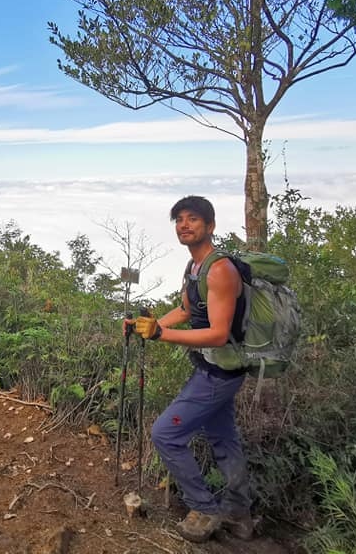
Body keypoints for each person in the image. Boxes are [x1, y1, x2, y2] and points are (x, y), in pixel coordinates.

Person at [125, 195, 253, 544]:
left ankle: (204, 507)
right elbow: (184, 310)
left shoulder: (220, 270)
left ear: (209, 226)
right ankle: (240, 515)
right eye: (179, 219)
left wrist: (161, 334)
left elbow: (217, 333)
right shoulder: (194, 268)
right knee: (224, 440)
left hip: (219, 374)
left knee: (165, 434)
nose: (184, 224)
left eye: (193, 218)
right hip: (215, 369)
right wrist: (146, 327)